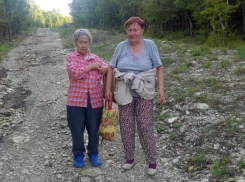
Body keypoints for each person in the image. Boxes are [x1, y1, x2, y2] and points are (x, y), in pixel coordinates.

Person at [105, 17, 165, 176]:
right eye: (129, 30)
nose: (132, 33)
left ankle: (152, 161)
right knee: (126, 126)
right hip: (124, 93)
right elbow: (111, 68)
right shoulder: (121, 47)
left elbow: (159, 67)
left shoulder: (150, 45)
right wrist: (107, 89)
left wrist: (161, 89)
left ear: (142, 31)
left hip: (145, 92)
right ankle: (129, 158)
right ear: (126, 31)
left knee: (145, 126)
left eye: (135, 30)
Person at [66, 29, 108, 168]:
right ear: (75, 43)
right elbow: (74, 73)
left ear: (89, 43)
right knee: (77, 128)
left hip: (95, 99)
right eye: (80, 42)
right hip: (76, 100)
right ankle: (78, 154)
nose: (83, 45)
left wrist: (105, 69)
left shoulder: (95, 57)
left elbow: (106, 66)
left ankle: (93, 153)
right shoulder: (71, 57)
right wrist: (90, 67)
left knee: (94, 127)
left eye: (86, 42)